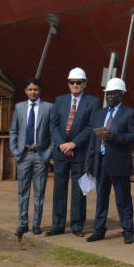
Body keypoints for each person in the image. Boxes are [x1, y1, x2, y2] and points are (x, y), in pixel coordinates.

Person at [84, 77, 134, 243]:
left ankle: (128, 230)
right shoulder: (99, 114)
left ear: (121, 94)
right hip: (100, 163)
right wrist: (89, 162)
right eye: (107, 94)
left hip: (119, 162)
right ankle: (99, 230)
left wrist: (116, 137)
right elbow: (93, 141)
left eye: (113, 94)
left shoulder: (129, 113)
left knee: (123, 199)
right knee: (101, 199)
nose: (109, 97)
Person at [47, 67, 98, 237]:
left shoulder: (93, 102)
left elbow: (91, 126)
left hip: (79, 152)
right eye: (72, 82)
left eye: (78, 82)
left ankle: (77, 225)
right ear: (68, 83)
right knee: (59, 189)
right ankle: (58, 224)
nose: (75, 85)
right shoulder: (59, 100)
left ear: (85, 83)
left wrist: (74, 143)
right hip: (61, 152)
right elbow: (53, 125)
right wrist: (62, 144)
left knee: (78, 191)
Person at [8, 78, 53, 240]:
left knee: (39, 192)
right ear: (25, 90)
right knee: (23, 191)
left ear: (40, 90)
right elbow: (13, 130)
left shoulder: (48, 107)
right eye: (30, 89)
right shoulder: (19, 107)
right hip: (24, 154)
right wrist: (14, 150)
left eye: (36, 89)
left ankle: (36, 224)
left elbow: (53, 132)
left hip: (41, 155)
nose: (33, 92)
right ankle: (23, 223)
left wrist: (49, 152)